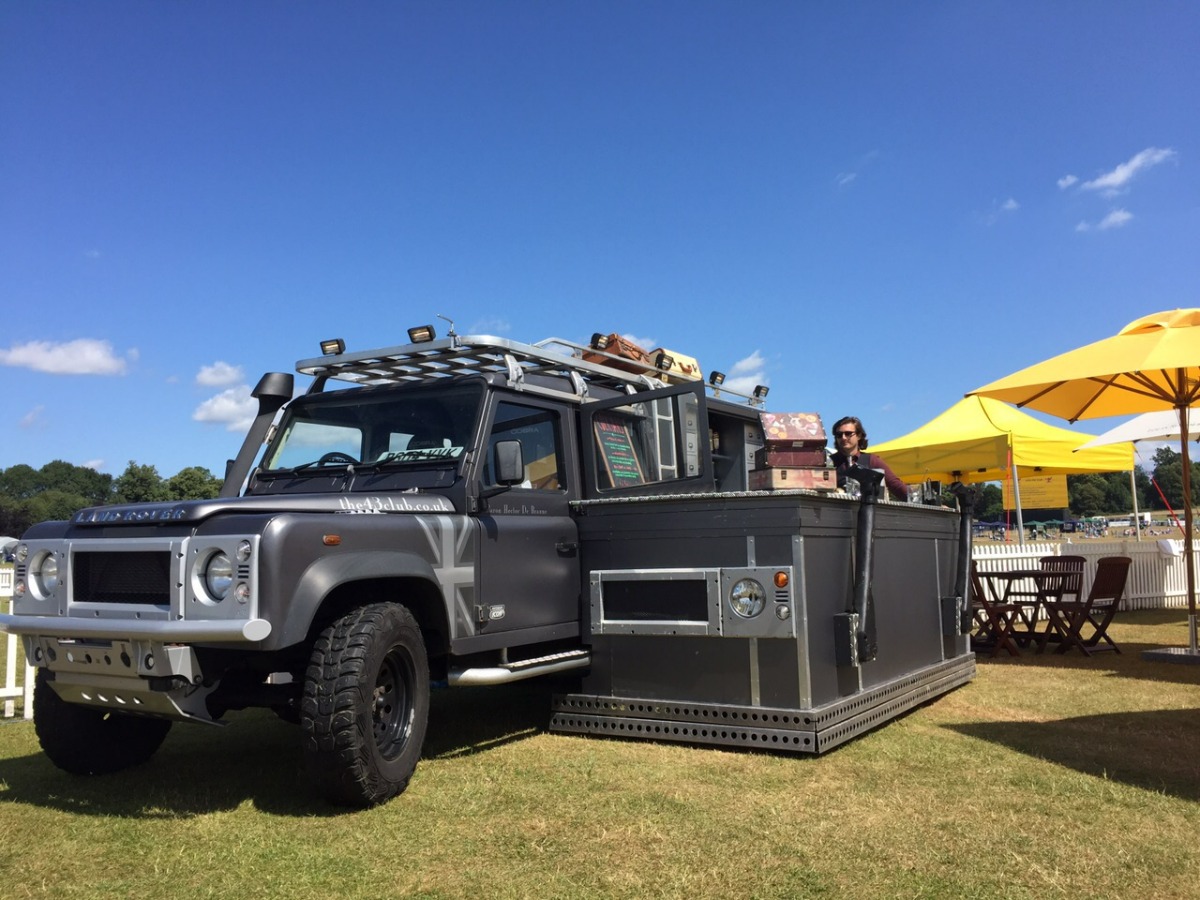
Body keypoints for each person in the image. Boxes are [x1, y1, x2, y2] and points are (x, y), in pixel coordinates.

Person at [829, 416, 909, 501]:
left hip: (867, 511)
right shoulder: (829, 462)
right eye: (839, 435)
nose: (843, 437)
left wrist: (917, 503)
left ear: (859, 435)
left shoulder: (871, 460)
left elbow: (896, 486)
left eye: (848, 433)